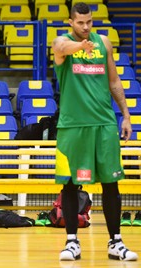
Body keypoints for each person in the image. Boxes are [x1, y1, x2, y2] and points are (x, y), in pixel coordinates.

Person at [52, 2, 138, 262]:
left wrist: (125, 115)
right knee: (70, 183)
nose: (86, 27)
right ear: (70, 21)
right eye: (80, 22)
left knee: (111, 184)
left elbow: (113, 80)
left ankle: (116, 242)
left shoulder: (103, 43)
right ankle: (71, 243)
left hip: (103, 124)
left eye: (89, 22)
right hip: (73, 125)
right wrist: (80, 46)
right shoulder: (61, 42)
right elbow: (61, 49)